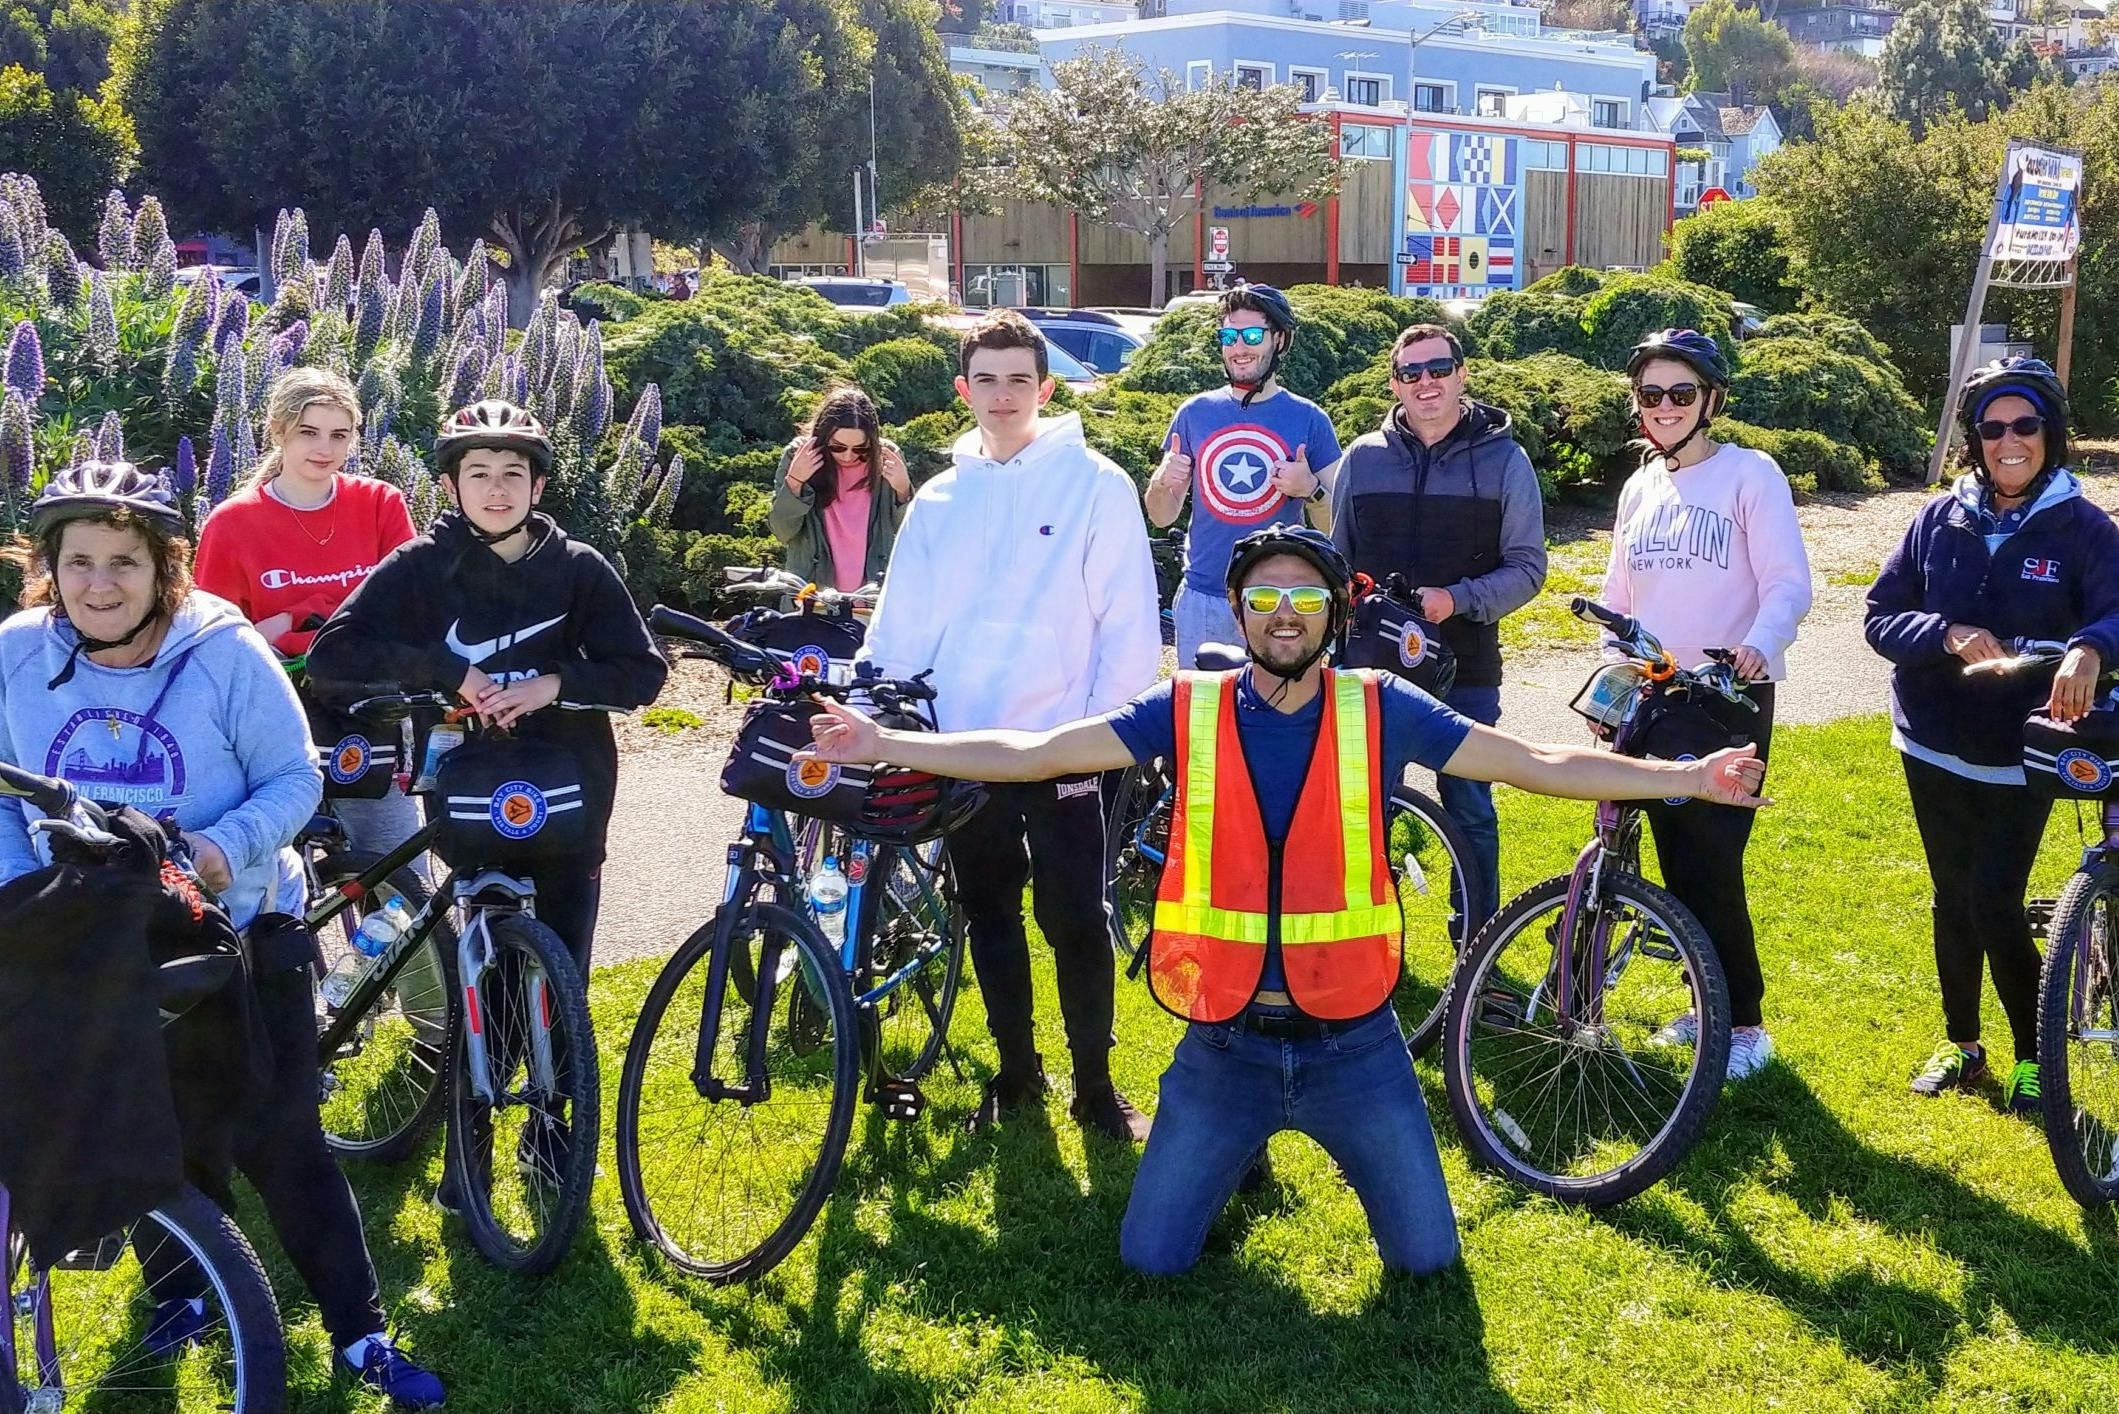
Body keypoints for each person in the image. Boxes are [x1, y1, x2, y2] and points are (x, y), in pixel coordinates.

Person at [803, 524, 1771, 1275]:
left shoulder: (1382, 706)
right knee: (1151, 1257)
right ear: (1235, 610)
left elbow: (1531, 761)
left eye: (1303, 597)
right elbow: (1034, 751)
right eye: (1263, 595)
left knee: (1427, 1260)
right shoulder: (1183, 706)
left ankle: (1253, 1154)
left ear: (1331, 619)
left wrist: (1687, 778)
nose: (1282, 612)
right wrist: (883, 744)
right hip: (1223, 1041)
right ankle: (1236, 1148)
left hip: (1357, 1044)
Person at [0, 461, 445, 1405]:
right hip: (97, 933)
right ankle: (184, 1298)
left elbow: (297, 780)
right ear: (49, 567)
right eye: (78, 562)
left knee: (278, 1133)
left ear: (165, 567)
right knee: (151, 1129)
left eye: (123, 561)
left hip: (238, 921)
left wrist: (215, 847)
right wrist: (24, 896)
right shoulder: (14, 653)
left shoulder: (225, 651)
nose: (99, 584)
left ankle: (360, 1332)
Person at [861, 309, 1161, 1140]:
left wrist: (1104, 736)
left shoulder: (1095, 483)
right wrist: (876, 704)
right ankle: (1017, 1071)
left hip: (1067, 745)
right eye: (985, 380)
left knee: (1073, 917)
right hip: (964, 745)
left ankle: (1095, 1087)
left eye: (1018, 380)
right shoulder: (939, 497)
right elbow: (902, 620)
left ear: (1046, 388)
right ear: (963, 389)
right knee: (986, 907)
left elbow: (1129, 620)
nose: (1002, 396)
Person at [308, 399, 667, 982]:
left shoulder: (579, 568)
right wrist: (449, 671)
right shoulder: (419, 565)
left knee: (563, 968)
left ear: (539, 485)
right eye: (478, 474)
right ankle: (479, 1064)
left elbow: (643, 673)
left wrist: (554, 685)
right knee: (482, 952)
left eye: (512, 474)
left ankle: (561, 1070)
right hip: (464, 776)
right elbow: (333, 654)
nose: (496, 490)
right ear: (451, 487)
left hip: (571, 782)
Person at [1866, 357, 2119, 1112]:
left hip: (2025, 750)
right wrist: (1943, 633)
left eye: (2025, 425)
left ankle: (2030, 1055)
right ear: (1974, 441)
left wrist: (2090, 645)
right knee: (1951, 896)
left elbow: (2114, 610)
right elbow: (1880, 614)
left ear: (2050, 435)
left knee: (1994, 900)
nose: (2009, 441)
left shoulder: (2084, 527)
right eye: (1992, 428)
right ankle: (1963, 1046)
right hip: (1932, 742)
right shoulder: (1937, 518)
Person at [1601, 328, 1813, 1084]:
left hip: (1727, 694)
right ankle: (1705, 1003)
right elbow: (1617, 597)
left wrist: (1759, 642)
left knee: (1714, 863)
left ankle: (1746, 1024)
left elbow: (1787, 581)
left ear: (1710, 401)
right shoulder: (1639, 486)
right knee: (1671, 863)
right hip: (1656, 695)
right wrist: (1610, 671)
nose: (1662, 407)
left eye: (1679, 394)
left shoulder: (1750, 474)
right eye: (1649, 395)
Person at [1329, 322, 1547, 923]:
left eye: (1438, 369)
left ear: (1462, 374)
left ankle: (1478, 941)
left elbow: (1529, 567)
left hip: (1466, 667)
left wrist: (1458, 599)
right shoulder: (1363, 458)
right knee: (1365, 805)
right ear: (1394, 384)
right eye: (1410, 373)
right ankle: (1360, 935)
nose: (1426, 382)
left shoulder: (1506, 459)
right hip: (1372, 669)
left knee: (1470, 805)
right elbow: (1336, 559)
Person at [193, 367, 422, 868]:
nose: (325, 449)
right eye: (308, 433)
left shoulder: (379, 503)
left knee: (398, 871)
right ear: (277, 432)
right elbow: (211, 637)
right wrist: (292, 629)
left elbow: (409, 604)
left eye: (339, 435)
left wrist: (296, 621)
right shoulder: (233, 523)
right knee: (275, 873)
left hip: (364, 706)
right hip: (274, 707)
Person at [1143, 283, 1343, 665]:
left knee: (1283, 715)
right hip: (1205, 597)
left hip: (1281, 601)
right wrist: (1161, 482)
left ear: (1280, 340)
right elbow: (1161, 515)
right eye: (1229, 336)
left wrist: (1310, 490)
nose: (1239, 347)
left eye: (1252, 335)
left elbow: (1338, 525)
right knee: (1203, 719)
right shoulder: (1194, 413)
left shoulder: (1309, 419)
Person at [767, 384, 914, 593]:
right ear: (823, 437)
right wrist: (795, 481)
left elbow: (909, 534)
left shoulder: (886, 458)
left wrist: (903, 491)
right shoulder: (798, 456)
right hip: (812, 601)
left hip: (873, 600)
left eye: (860, 449)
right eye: (837, 447)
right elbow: (782, 531)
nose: (848, 456)